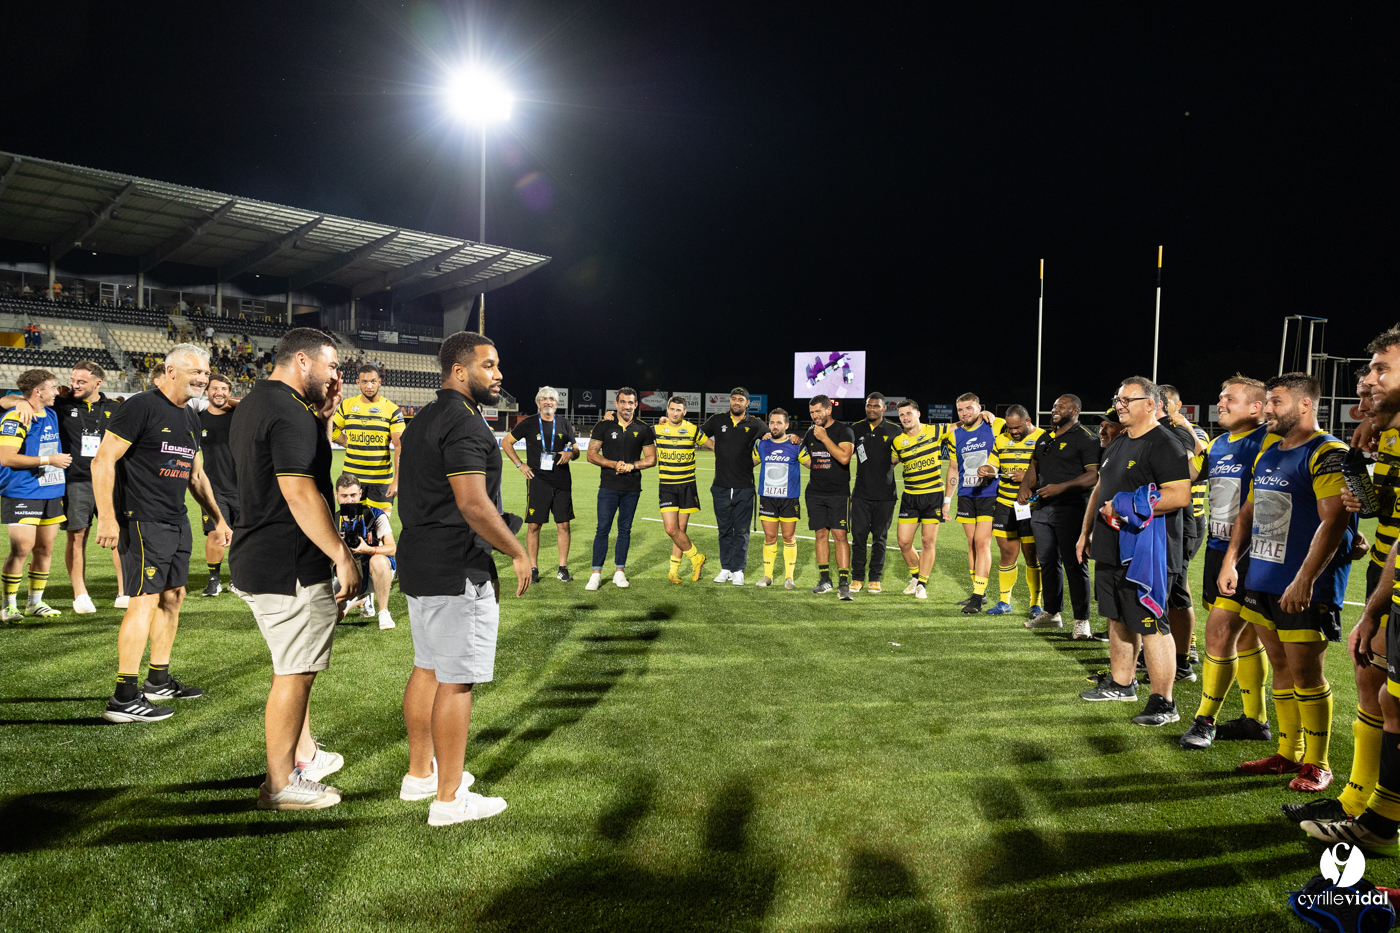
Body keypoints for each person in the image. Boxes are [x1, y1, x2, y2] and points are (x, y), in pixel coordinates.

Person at [398, 331, 528, 826]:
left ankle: (421, 774)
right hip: (457, 563)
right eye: (489, 366)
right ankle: (449, 799)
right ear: (460, 371)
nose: (498, 374)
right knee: (457, 680)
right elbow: (473, 503)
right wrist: (517, 551)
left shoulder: (425, 417)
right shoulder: (464, 424)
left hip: (421, 557)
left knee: (428, 667)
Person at [228, 328, 358, 808]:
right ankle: (280, 783)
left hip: (261, 553)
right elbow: (299, 490)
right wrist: (342, 554)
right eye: (331, 366)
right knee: (295, 670)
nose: (336, 375)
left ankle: (303, 752)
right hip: (286, 563)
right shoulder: (286, 411)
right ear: (302, 361)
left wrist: (322, 419)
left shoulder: (261, 402)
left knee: (295, 664)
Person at [1222, 373, 1354, 793]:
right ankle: (1287, 752)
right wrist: (1232, 560)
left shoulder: (1327, 451)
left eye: (1276, 402)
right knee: (1278, 664)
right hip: (1262, 575)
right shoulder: (1270, 452)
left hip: (1302, 584)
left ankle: (1319, 763)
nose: (1269, 409)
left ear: (1304, 405)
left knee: (1305, 672)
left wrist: (1304, 579)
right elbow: (1249, 512)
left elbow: (1336, 519)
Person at [93, 345, 231, 723]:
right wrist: (107, 517)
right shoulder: (141, 406)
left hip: (176, 520)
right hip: (141, 519)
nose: (203, 378)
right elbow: (103, 459)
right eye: (195, 372)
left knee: (174, 595)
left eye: (206, 373)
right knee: (145, 600)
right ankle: (123, 698)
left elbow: (196, 474)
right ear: (170, 371)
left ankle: (158, 679)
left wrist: (217, 517)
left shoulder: (188, 416)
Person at [1304, 324, 1400, 852]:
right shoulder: (1382, 436)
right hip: (1386, 571)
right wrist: (1359, 455)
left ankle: (1378, 817)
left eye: (1377, 373)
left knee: (1391, 697)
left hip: (1393, 581)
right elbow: (1373, 507)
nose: (1365, 385)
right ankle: (1358, 799)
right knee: (1375, 686)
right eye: (1366, 378)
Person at [1076, 376, 1192, 727]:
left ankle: (1163, 702)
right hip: (1110, 547)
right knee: (1115, 616)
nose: (1120, 404)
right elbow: (1100, 488)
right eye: (1118, 398)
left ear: (1151, 404)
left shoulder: (1164, 444)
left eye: (1128, 399)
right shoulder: (1119, 443)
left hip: (1147, 552)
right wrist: (1085, 532)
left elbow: (1179, 495)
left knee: (1151, 624)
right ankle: (1122, 683)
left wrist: (1126, 505)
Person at [1176, 376, 1272, 751]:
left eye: (1230, 398)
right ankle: (1256, 720)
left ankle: (1205, 720)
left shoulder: (1268, 441)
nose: (1221, 403)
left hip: (1249, 551)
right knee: (1244, 636)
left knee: (1218, 634)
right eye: (1220, 397)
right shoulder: (1216, 443)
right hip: (1218, 548)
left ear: (1256, 407)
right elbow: (1188, 473)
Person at [0, 362, 125, 613]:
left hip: (100, 482)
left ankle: (124, 592)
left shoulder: (114, 408)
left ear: (97, 383)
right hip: (69, 482)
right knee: (70, 537)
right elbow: (9, 399)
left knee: (116, 536)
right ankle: (77, 595)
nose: (72, 386)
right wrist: (19, 402)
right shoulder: (60, 404)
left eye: (81, 381)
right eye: (72, 380)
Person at [1018, 395, 1100, 635]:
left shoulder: (1086, 438)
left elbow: (1092, 476)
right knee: (1047, 562)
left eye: (1061, 406)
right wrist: (1025, 486)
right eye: (1054, 406)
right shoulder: (1045, 437)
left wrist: (1060, 488)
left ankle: (1081, 620)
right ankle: (1052, 613)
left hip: (1072, 509)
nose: (1055, 410)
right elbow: (1034, 466)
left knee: (1075, 564)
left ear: (1075, 410)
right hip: (1042, 508)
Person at [0, 370, 71, 621]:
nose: (56, 391)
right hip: (22, 491)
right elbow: (6, 457)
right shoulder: (16, 417)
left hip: (51, 490)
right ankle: (8, 606)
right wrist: (49, 459)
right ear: (37, 391)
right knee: (21, 549)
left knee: (44, 549)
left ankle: (35, 603)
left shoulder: (50, 412)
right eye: (52, 387)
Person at [1157, 386, 1209, 682]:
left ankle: (1184, 654)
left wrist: (1185, 425)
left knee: (1177, 586)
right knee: (1172, 586)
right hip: (1176, 519)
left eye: (1169, 404)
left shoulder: (1193, 432)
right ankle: (1174, 650)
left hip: (1189, 519)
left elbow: (1196, 465)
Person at [503, 387, 578, 583]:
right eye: (543, 399)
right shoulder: (528, 423)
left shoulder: (564, 423)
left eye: (552, 399)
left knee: (563, 524)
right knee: (534, 526)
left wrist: (571, 454)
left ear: (557, 403)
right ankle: (534, 568)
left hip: (562, 482)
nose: (548, 402)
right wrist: (520, 465)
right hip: (538, 482)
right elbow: (505, 442)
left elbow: (575, 448)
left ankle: (563, 568)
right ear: (538, 403)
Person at [585, 388, 656, 590]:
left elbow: (652, 459)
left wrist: (632, 466)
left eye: (631, 402)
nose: (627, 406)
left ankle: (619, 572)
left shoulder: (643, 428)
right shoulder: (604, 425)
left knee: (625, 530)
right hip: (608, 486)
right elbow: (591, 455)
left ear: (636, 405)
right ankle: (596, 574)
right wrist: (614, 464)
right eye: (623, 402)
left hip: (632, 488)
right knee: (602, 529)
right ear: (616, 404)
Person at [979, 404, 1044, 616]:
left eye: (1017, 427)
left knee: (1031, 556)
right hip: (1005, 504)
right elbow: (993, 464)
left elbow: (1051, 471)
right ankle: (1004, 601)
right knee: (1007, 554)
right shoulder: (1001, 439)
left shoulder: (1044, 438)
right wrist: (986, 469)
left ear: (1028, 422)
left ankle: (1036, 603)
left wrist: (1029, 477)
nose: (1013, 431)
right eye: (1009, 427)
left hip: (1031, 504)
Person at [945, 393, 1005, 614]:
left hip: (990, 493)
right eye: (960, 410)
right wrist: (947, 499)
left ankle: (978, 597)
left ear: (979, 407)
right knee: (971, 543)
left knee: (981, 543)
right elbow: (953, 468)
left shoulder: (995, 424)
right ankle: (978, 590)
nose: (964, 413)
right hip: (966, 496)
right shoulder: (955, 435)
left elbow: (1021, 429)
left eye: (969, 408)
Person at [702, 388, 767, 584]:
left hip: (744, 487)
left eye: (740, 400)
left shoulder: (756, 424)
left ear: (747, 403)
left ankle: (738, 569)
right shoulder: (717, 420)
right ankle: (725, 568)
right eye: (733, 399)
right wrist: (715, 447)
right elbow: (698, 434)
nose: (736, 402)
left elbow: (773, 436)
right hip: (720, 486)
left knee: (741, 531)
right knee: (723, 530)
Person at [890, 399, 951, 600]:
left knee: (927, 541)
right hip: (910, 496)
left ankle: (922, 584)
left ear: (918, 414)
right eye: (901, 415)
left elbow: (962, 425)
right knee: (904, 542)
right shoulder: (898, 441)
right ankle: (917, 577)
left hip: (933, 495)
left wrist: (987, 417)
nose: (905, 418)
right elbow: (889, 462)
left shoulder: (935, 431)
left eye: (908, 413)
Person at [802, 394, 856, 600]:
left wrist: (824, 437)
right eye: (812, 412)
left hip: (838, 493)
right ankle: (825, 580)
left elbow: (844, 457)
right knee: (820, 535)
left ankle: (844, 584)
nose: (815, 416)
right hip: (815, 492)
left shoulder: (844, 430)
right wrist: (794, 439)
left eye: (818, 411)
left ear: (828, 410)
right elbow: (803, 455)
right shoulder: (810, 433)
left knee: (840, 536)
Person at [331, 364, 405, 512]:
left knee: (380, 529)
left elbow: (400, 447)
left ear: (379, 382)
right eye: (364, 381)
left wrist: (397, 481)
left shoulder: (392, 410)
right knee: (351, 526)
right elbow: (331, 429)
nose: (369, 386)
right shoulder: (347, 405)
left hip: (381, 481)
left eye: (373, 381)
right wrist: (347, 441)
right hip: (351, 479)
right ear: (358, 383)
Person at [652, 396, 708, 584]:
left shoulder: (692, 430)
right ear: (667, 410)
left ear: (684, 412)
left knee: (680, 529)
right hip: (667, 486)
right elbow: (635, 434)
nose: (675, 413)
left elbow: (713, 445)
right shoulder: (657, 430)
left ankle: (673, 571)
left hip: (687, 485)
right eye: (672, 409)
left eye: (679, 410)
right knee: (671, 529)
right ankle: (695, 557)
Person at [850, 393, 902, 593]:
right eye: (868, 406)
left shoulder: (895, 430)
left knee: (880, 538)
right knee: (859, 537)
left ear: (884, 408)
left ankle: (875, 578)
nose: (872, 409)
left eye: (876, 406)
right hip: (861, 494)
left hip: (886, 495)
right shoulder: (855, 429)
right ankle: (857, 578)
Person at [753, 408, 807, 588]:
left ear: (787, 425)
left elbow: (812, 465)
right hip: (767, 498)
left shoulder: (795, 445)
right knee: (769, 537)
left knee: (788, 537)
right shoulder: (762, 444)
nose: (775, 426)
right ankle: (767, 576)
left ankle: (788, 577)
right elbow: (747, 462)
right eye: (772, 423)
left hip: (789, 499)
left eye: (779, 423)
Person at [335, 473, 397, 630]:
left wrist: (369, 549)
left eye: (353, 495)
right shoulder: (333, 520)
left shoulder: (374, 515)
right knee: (328, 618)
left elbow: (392, 548)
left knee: (378, 559)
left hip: (376, 572)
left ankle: (383, 611)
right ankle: (357, 601)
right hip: (348, 575)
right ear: (336, 495)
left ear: (360, 493)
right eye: (344, 496)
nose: (349, 500)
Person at [198, 374, 239, 597]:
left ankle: (238, 578)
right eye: (215, 388)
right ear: (207, 391)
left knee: (242, 535)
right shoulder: (198, 418)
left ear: (229, 393)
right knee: (215, 533)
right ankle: (214, 579)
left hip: (243, 486)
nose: (219, 393)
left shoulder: (239, 415)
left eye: (224, 389)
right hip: (213, 488)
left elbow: (251, 404)